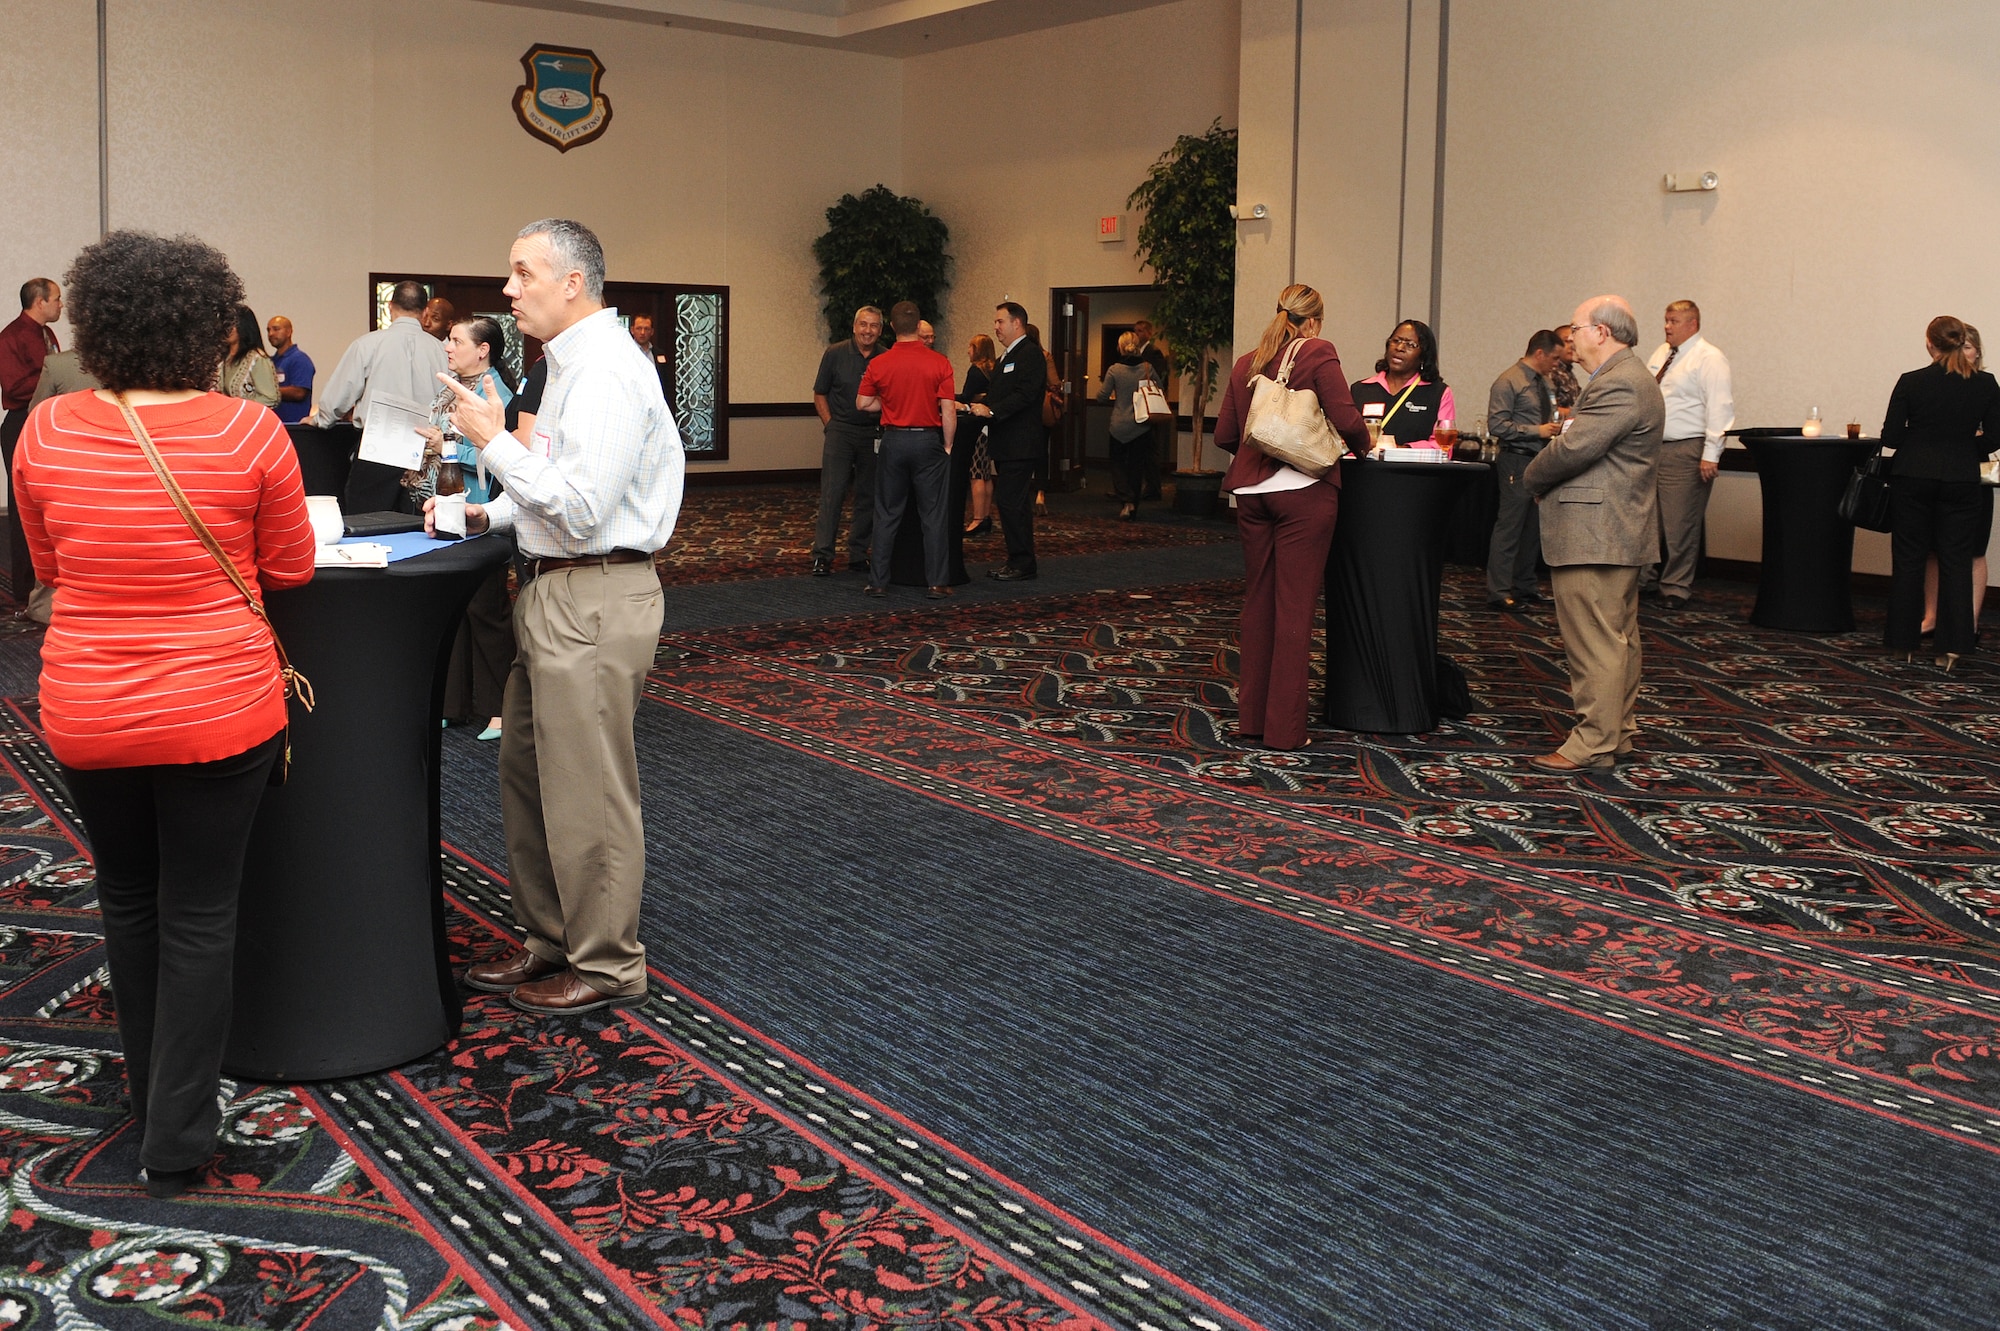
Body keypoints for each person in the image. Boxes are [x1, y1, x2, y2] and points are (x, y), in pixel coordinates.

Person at [11, 230, 316, 1197]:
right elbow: (291, 570)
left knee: (128, 898)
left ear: (97, 326)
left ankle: (151, 1104)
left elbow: (48, 571)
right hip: (220, 709)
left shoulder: (45, 431)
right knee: (200, 911)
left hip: (88, 708)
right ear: (210, 330)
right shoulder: (251, 433)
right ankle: (176, 1138)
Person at [429, 217, 683, 1016]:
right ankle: (552, 937)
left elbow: (581, 506)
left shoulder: (605, 369)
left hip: (595, 593)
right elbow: (554, 486)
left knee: (588, 789)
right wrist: (489, 513)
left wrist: (491, 441)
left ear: (572, 283)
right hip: (555, 586)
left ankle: (607, 963)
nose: (509, 290)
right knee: (531, 775)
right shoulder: (568, 365)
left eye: (522, 272)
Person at [1212, 283, 1370, 751]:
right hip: (1302, 491)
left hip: (1251, 495)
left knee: (1259, 603)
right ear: (1314, 321)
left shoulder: (1248, 361)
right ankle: (1284, 731)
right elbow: (1347, 419)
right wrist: (1365, 447)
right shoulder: (1318, 351)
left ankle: (1252, 720)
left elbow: (1225, 434)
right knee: (1294, 610)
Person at [1523, 295, 1665, 773]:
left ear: (1602, 332)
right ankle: (1617, 732)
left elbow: (1574, 448)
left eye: (1576, 330)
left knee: (1595, 643)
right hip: (1612, 529)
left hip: (1597, 531)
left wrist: (1531, 478)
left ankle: (1592, 742)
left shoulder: (1620, 382)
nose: (1570, 341)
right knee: (1617, 638)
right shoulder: (1625, 377)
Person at [1881, 315, 2000, 670]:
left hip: (1912, 476)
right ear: (1962, 342)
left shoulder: (1911, 381)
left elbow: (1891, 438)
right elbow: (1995, 438)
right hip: (1960, 479)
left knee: (1908, 560)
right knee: (1956, 562)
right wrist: (1964, 448)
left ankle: (1902, 644)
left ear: (1929, 344)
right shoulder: (1985, 384)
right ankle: (1951, 648)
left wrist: (1920, 441)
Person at [424, 317, 514, 739]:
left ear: (483, 350)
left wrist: (445, 446)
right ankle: (453, 704)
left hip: (483, 512)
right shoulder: (454, 389)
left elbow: (500, 455)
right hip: (449, 505)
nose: (447, 346)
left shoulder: (499, 393)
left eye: (456, 341)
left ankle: (502, 708)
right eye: (448, 339)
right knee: (453, 607)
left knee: (486, 609)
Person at [855, 301, 957, 599]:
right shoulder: (939, 362)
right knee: (933, 515)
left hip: (893, 441)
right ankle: (937, 583)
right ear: (918, 326)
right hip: (927, 442)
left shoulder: (879, 363)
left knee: (886, 513)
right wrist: (948, 445)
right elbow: (948, 411)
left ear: (891, 327)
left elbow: (862, 403)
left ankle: (878, 582)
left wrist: (887, 404)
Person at [1642, 300, 1734, 609]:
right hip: (1652, 447)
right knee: (1647, 520)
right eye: (1666, 320)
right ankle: (1645, 579)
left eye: (1673, 321)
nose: (1666, 326)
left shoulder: (1709, 358)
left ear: (1692, 324)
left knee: (1679, 523)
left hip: (1686, 448)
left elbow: (1720, 408)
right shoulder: (1661, 353)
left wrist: (1711, 454)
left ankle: (1675, 587)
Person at [1484, 330, 1565, 611]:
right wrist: (1537, 431)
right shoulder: (1508, 381)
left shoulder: (1545, 382)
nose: (1557, 364)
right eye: (1555, 358)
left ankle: (1525, 585)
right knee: (1510, 526)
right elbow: (1497, 425)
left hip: (1541, 460)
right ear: (1540, 353)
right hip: (1516, 460)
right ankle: (1499, 590)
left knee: (1533, 528)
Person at [967, 302, 1048, 580]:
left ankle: (1022, 563)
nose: (996, 327)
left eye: (1000, 321)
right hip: (1007, 444)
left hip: (1021, 443)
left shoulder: (1030, 354)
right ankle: (1018, 560)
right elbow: (998, 394)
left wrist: (992, 411)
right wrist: (969, 405)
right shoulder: (1006, 356)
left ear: (1017, 323)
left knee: (1010, 502)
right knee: (1013, 503)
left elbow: (1025, 395)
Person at [1924, 323, 1991, 636]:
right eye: (1958, 346)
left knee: (1974, 549)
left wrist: (1967, 441)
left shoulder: (1985, 385)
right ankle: (1931, 617)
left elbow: (1993, 432)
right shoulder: (1931, 383)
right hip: (1935, 473)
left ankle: (1970, 623)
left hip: (1974, 472)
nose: (1962, 353)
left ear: (1977, 352)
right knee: (1933, 548)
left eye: (1968, 347)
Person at [810, 306, 886, 576]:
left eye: (874, 326)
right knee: (833, 493)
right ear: (854, 327)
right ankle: (823, 556)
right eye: (863, 324)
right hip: (840, 432)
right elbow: (820, 393)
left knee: (868, 496)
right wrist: (830, 425)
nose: (868, 331)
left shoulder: (886, 357)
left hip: (873, 434)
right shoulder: (835, 353)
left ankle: (858, 554)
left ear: (880, 330)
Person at [2, 278, 63, 609]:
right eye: (57, 299)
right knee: (22, 506)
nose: (61, 305)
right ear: (40, 302)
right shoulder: (11, 337)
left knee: (49, 503)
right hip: (21, 423)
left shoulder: (46, 334)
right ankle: (24, 589)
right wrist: (53, 383)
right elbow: (13, 387)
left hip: (45, 422)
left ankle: (49, 583)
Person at [311, 280, 449, 428]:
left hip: (375, 438)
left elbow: (338, 397)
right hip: (428, 438)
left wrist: (320, 419)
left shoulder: (365, 345)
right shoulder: (444, 352)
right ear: (425, 312)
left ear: (390, 306)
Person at [1350, 319, 1456, 445]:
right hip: (1365, 459)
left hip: (1412, 459)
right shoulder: (1360, 389)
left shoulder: (1439, 393)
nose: (1400, 348)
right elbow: (1342, 440)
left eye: (1410, 345)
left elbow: (1443, 446)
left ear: (1424, 355)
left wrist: (1400, 450)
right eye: (1396, 341)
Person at [1097, 331, 1159, 520]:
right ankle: (1133, 507)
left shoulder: (1114, 370)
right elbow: (1160, 389)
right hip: (1141, 425)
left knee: (1117, 464)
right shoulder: (1147, 368)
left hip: (1119, 425)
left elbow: (1102, 396)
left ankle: (1126, 501)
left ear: (1120, 347)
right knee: (1136, 467)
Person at [959, 335, 997, 535]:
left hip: (977, 427)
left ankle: (978, 519)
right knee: (986, 473)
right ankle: (986, 516)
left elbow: (966, 397)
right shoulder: (994, 369)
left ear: (977, 349)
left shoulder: (976, 370)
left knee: (976, 473)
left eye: (970, 347)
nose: (968, 350)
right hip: (990, 426)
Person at [1134, 318, 1171, 499]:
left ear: (1149, 333)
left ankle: (1153, 488)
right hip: (1139, 405)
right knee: (1142, 449)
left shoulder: (1153, 352)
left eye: (1141, 331)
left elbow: (1161, 379)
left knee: (1150, 449)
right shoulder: (1137, 353)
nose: (1137, 334)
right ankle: (1144, 486)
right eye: (1135, 331)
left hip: (1149, 406)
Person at [217, 305, 279, 409]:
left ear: (243, 326)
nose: (225, 329)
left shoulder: (257, 359)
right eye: (223, 324)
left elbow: (270, 398)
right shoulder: (223, 359)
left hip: (248, 416)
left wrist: (238, 407)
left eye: (230, 324)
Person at [266, 315, 314, 425]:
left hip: (294, 427)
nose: (271, 334)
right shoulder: (269, 361)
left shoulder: (300, 359)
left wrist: (267, 391)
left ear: (289, 332)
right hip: (274, 425)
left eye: (276, 329)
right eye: (268, 330)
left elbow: (299, 393)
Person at [1549, 324, 1583, 411]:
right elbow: (1548, 409)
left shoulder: (1568, 372)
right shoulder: (1551, 371)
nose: (1572, 346)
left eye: (1574, 342)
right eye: (1567, 341)